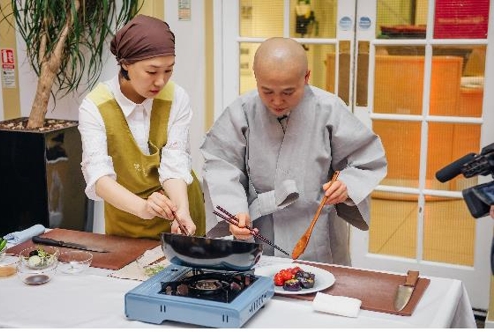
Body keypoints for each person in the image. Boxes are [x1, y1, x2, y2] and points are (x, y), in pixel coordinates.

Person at [200, 37, 387, 265]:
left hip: (315, 229)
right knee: (261, 290)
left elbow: (366, 159)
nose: (277, 101)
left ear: (306, 77)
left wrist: (347, 185)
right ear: (256, 76)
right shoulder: (241, 111)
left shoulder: (329, 109)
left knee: (318, 290)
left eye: (288, 92)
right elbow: (220, 164)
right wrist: (235, 211)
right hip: (259, 228)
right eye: (267, 91)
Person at [78, 15, 205, 239]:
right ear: (125, 63)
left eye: (169, 70)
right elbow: (99, 177)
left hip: (176, 210)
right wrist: (143, 208)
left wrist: (182, 209)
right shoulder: (94, 106)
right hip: (127, 215)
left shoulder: (176, 97)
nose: (161, 81)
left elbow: (175, 163)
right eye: (152, 71)